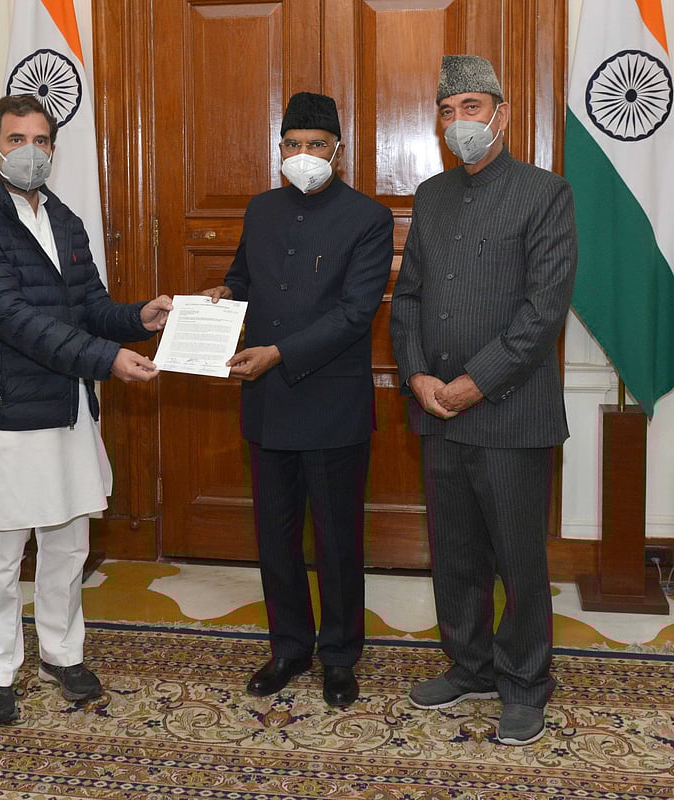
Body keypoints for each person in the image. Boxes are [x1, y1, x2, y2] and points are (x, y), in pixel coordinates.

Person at [0, 94, 173, 726]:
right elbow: (15, 320)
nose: (30, 151)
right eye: (16, 139)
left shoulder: (64, 219)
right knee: (1, 556)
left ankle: (62, 654)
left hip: (69, 407)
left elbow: (88, 306)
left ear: (53, 148)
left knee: (69, 544)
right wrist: (107, 359)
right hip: (7, 413)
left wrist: (139, 319)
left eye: (41, 140)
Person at [388, 55, 577, 745]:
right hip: (437, 410)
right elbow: (407, 297)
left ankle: (525, 682)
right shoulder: (432, 195)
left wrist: (477, 380)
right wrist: (417, 376)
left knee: (518, 561)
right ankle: (469, 666)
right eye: (447, 110)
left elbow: (543, 310)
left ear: (502, 113)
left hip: (510, 411)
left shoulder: (545, 193)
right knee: (455, 552)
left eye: (471, 106)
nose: (458, 121)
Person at [201, 92, 393, 707]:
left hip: (331, 404)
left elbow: (356, 312)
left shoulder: (368, 217)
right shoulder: (261, 209)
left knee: (336, 541)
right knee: (275, 537)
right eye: (292, 143)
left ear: (338, 150)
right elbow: (243, 277)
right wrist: (223, 294)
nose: (302, 153)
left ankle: (339, 655)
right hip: (267, 403)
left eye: (315, 144)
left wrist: (280, 353)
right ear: (279, 147)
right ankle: (288, 647)